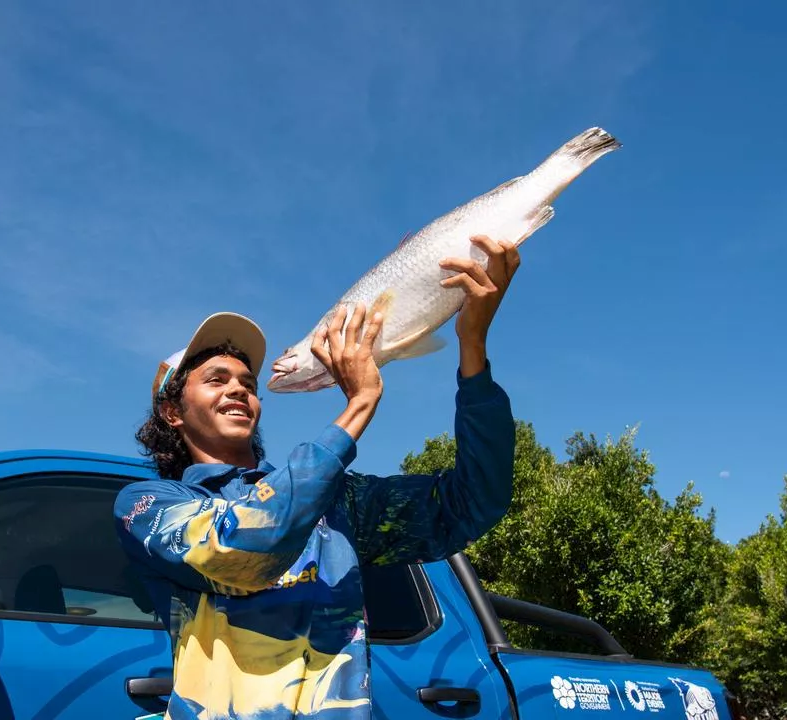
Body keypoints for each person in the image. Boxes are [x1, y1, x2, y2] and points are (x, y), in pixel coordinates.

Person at [114, 235, 521, 719]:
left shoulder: (336, 503)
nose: (239, 391)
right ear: (172, 412)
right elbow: (243, 547)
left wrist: (472, 348)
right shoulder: (149, 505)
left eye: (248, 384)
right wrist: (359, 405)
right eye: (217, 380)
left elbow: (475, 501)